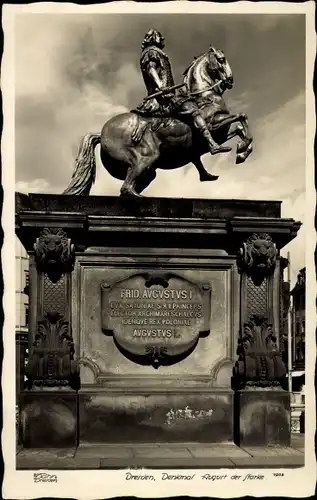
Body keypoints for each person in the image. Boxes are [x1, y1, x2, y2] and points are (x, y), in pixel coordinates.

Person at [136, 28, 231, 156]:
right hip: (160, 99)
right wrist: (160, 86)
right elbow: (151, 69)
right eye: (158, 36)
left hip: (167, 95)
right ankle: (212, 144)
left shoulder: (158, 53)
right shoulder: (151, 52)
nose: (161, 38)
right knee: (192, 108)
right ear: (152, 38)